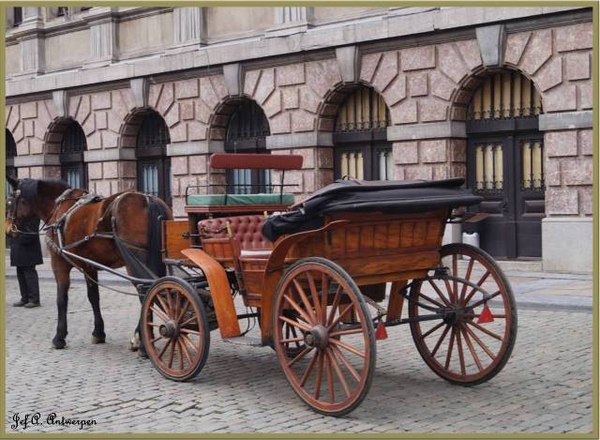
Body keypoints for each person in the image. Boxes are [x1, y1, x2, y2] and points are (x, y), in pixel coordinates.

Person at [10, 217, 42, 308]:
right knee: (20, 273)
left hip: (29, 250)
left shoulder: (32, 215)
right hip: (18, 248)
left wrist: (17, 236)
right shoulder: (17, 215)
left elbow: (31, 234)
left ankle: (34, 300)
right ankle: (24, 298)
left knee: (29, 273)